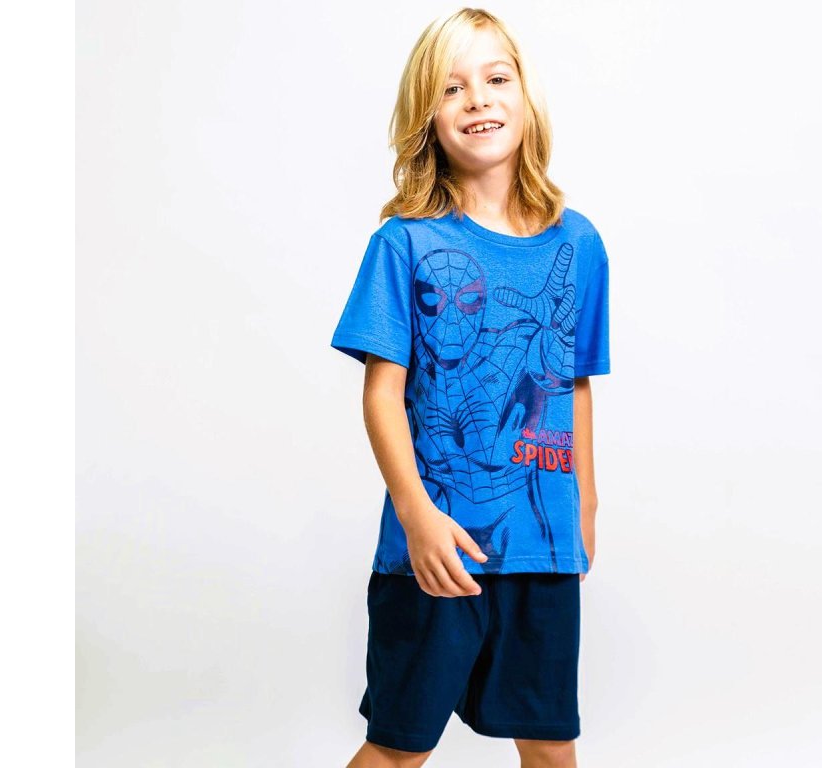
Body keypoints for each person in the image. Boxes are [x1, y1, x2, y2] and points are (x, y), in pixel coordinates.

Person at [330, 8, 611, 767]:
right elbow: (381, 395)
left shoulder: (579, 243)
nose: (478, 99)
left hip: (542, 550)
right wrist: (416, 515)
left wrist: (584, 503)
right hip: (437, 549)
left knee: (552, 747)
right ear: (427, 116)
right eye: (452, 88)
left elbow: (572, 381)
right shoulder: (405, 243)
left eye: (495, 79)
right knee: (397, 749)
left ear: (525, 95)